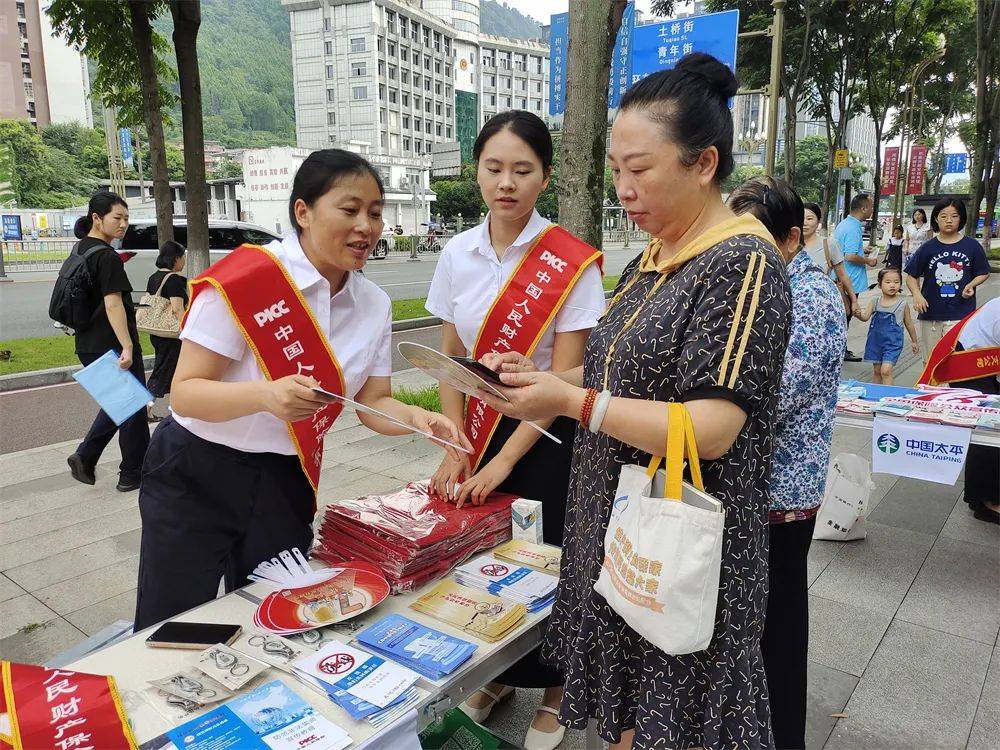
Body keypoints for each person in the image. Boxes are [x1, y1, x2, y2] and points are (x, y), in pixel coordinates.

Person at [476, 53, 792, 750]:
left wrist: (575, 402)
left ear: (704, 163)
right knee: (632, 722)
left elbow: (711, 429)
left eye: (640, 170)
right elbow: (612, 377)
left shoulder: (742, 264)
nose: (623, 188)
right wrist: (535, 382)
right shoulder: (649, 259)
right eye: (615, 169)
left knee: (674, 719)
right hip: (623, 536)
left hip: (683, 550)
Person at [133, 150, 469, 630]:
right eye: (349, 210)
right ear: (303, 212)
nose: (367, 227)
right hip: (196, 470)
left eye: (375, 213)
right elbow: (185, 394)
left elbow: (372, 402)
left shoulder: (373, 303)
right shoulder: (249, 280)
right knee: (175, 624)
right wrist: (265, 396)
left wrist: (419, 419)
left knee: (282, 617)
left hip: (285, 479)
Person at [425, 110, 605, 750]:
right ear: (476, 171)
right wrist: (457, 442)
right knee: (481, 562)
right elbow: (449, 354)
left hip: (547, 439)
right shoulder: (456, 253)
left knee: (548, 563)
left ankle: (556, 692)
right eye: (494, 168)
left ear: (545, 176)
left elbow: (566, 377)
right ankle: (497, 674)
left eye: (522, 170)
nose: (506, 183)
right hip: (476, 428)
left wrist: (503, 462)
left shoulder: (572, 261)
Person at [728, 176, 845, 750]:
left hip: (780, 497)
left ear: (793, 238)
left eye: (753, 235)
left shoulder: (815, 296)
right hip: (741, 490)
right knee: (743, 626)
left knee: (777, 629)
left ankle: (783, 737)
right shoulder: (752, 286)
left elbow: (777, 394)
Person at [67, 192, 151, 493]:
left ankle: (87, 458)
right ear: (96, 218)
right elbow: (114, 304)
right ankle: (132, 473)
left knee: (124, 404)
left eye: (126, 218)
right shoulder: (106, 257)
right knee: (132, 406)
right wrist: (127, 346)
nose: (123, 224)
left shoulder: (80, 251)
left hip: (87, 343)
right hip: (112, 344)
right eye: (117, 217)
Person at [918, 297, 1000, 524]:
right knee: (987, 427)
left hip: (987, 354)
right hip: (967, 359)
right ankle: (986, 501)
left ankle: (984, 493)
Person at [904, 197, 991, 362]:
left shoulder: (972, 246)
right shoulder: (928, 247)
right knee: (931, 361)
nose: (949, 220)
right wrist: (917, 295)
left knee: (957, 360)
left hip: (961, 313)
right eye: (943, 216)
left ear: (961, 218)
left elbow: (983, 272)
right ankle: (931, 389)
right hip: (931, 314)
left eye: (954, 216)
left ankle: (954, 389)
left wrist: (972, 284)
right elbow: (911, 275)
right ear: (936, 218)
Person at [802, 201, 859, 361]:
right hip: (796, 306)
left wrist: (853, 300)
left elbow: (842, 275)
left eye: (810, 218)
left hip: (823, 307)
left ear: (818, 222)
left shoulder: (829, 244)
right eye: (801, 218)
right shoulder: (789, 244)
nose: (805, 223)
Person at [145, 240, 188, 421]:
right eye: (183, 257)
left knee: (171, 371)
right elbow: (178, 309)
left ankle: (175, 411)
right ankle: (144, 409)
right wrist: (186, 330)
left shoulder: (153, 278)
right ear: (175, 258)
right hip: (171, 335)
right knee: (162, 372)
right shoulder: (174, 280)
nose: (184, 261)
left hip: (157, 333)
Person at [855, 268, 919, 384]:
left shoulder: (902, 304)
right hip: (875, 342)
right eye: (888, 282)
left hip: (893, 344)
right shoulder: (874, 301)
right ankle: (876, 396)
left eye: (896, 282)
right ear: (879, 284)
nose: (892, 285)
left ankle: (888, 396)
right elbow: (865, 318)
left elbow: (909, 324)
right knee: (877, 371)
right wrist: (858, 314)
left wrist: (914, 341)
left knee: (886, 370)